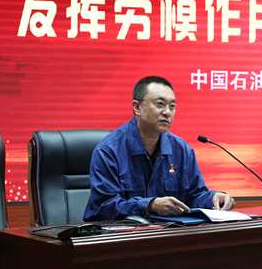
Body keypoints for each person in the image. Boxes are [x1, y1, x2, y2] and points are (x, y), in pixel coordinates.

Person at [83, 76, 235, 221]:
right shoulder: (109, 151)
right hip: (124, 236)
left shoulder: (181, 150)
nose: (167, 112)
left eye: (172, 106)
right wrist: (150, 205)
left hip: (168, 234)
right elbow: (103, 208)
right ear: (137, 107)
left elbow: (194, 195)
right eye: (160, 104)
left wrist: (213, 198)